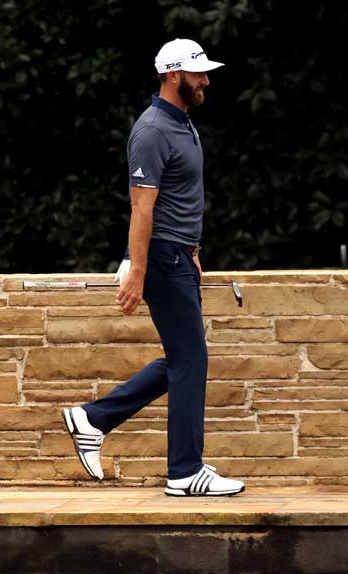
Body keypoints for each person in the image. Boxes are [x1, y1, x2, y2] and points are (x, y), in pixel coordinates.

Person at [61, 41, 246, 497]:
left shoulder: (182, 123)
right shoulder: (151, 131)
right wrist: (138, 271)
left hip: (178, 254)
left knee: (184, 358)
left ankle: (93, 418)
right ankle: (184, 471)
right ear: (171, 75)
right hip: (161, 258)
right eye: (198, 74)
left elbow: (183, 200)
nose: (205, 81)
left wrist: (194, 248)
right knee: (191, 358)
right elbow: (142, 208)